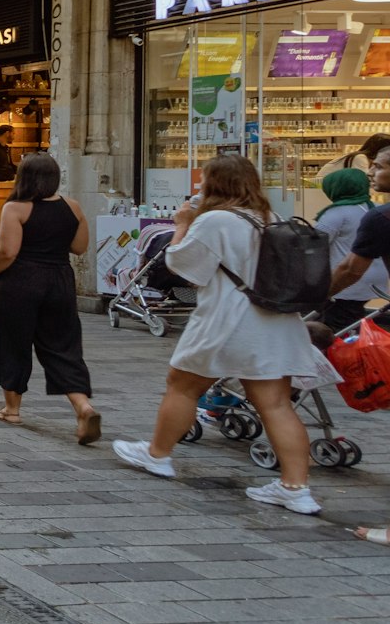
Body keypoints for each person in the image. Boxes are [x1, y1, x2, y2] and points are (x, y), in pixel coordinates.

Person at [113, 154, 340, 515]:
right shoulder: (270, 217)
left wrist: (183, 223)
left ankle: (158, 453)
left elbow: (183, 265)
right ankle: (296, 487)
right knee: (277, 404)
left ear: (214, 184)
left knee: (183, 385)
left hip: (228, 321)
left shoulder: (216, 220)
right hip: (275, 322)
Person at [0, 153, 100, 442]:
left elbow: (8, 252)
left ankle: (12, 410)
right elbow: (80, 247)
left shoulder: (15, 208)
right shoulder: (72, 207)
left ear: (23, 176)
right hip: (59, 280)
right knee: (63, 346)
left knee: (12, 342)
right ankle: (83, 406)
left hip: (20, 282)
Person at [315, 168, 387, 332]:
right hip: (377, 280)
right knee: (356, 320)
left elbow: (316, 244)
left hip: (346, 283)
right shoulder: (379, 209)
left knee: (338, 326)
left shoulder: (335, 214)